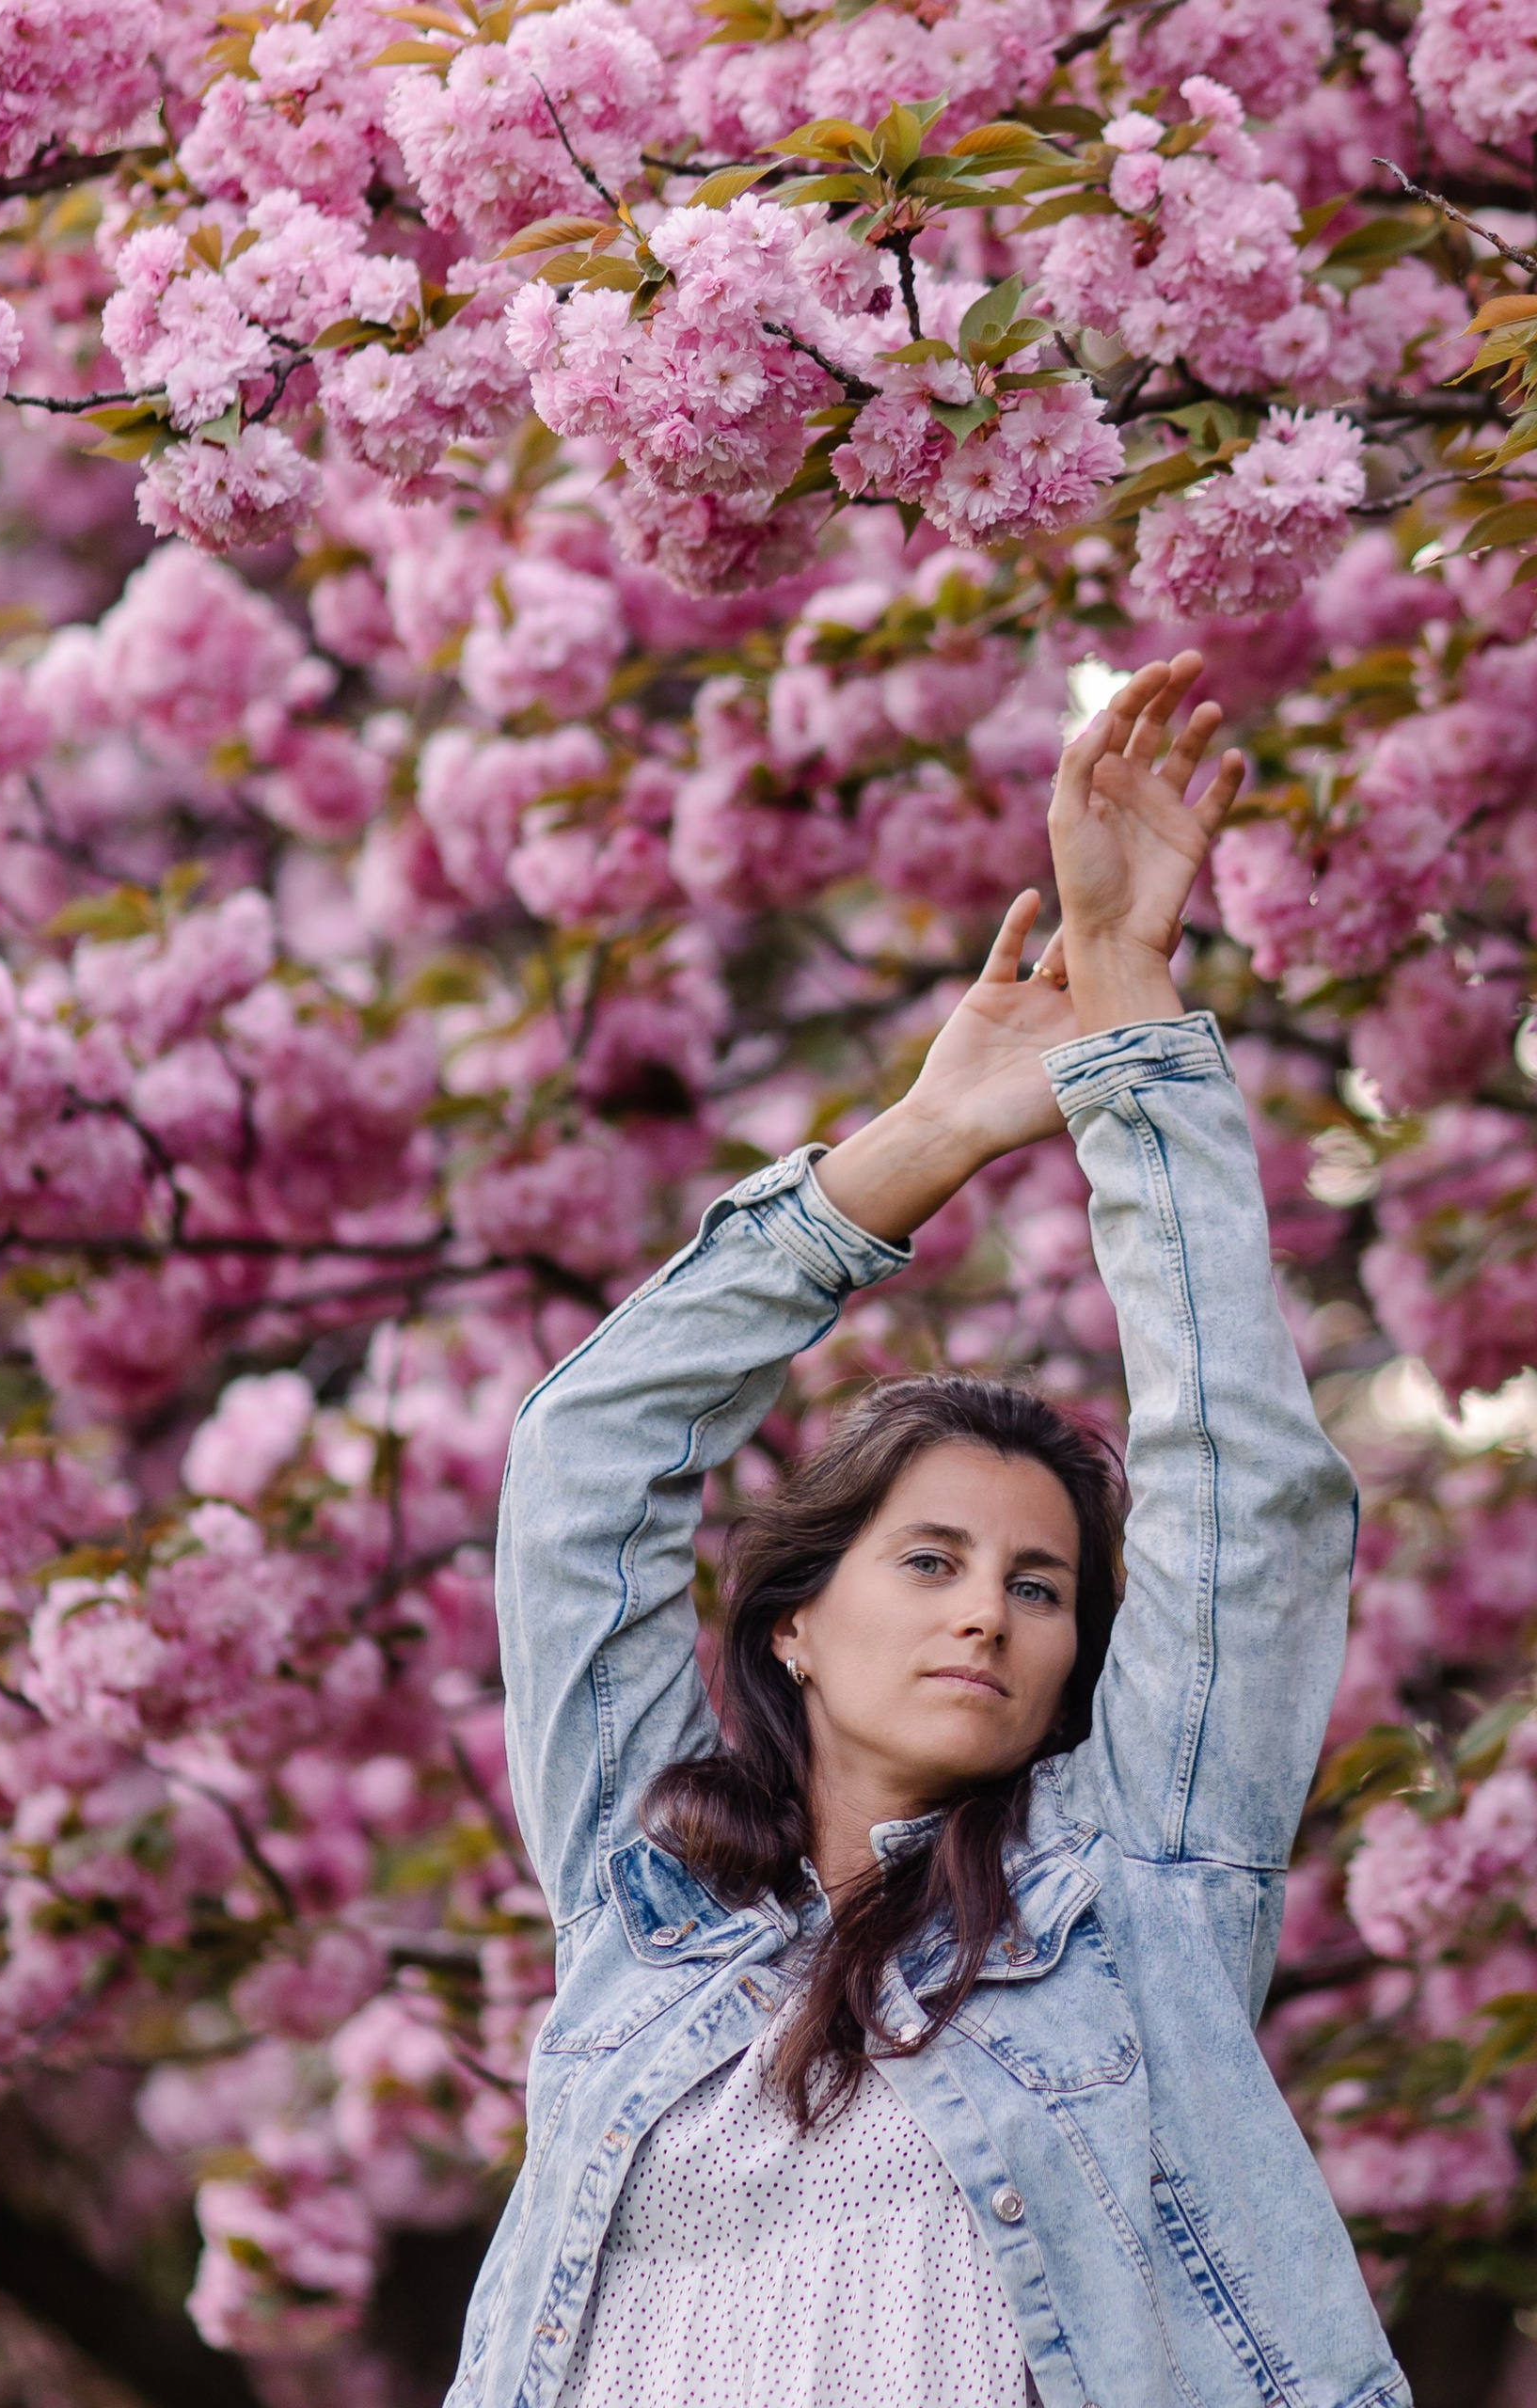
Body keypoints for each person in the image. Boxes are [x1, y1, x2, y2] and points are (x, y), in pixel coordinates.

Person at [448, 656, 1409, 2408]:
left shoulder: (1136, 1887)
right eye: (931, 1561)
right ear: (794, 1622)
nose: (989, 1615)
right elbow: (586, 1455)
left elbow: (1249, 1493)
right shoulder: (640, 1888)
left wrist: (1129, 1029)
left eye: (1040, 1588)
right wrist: (929, 1136)